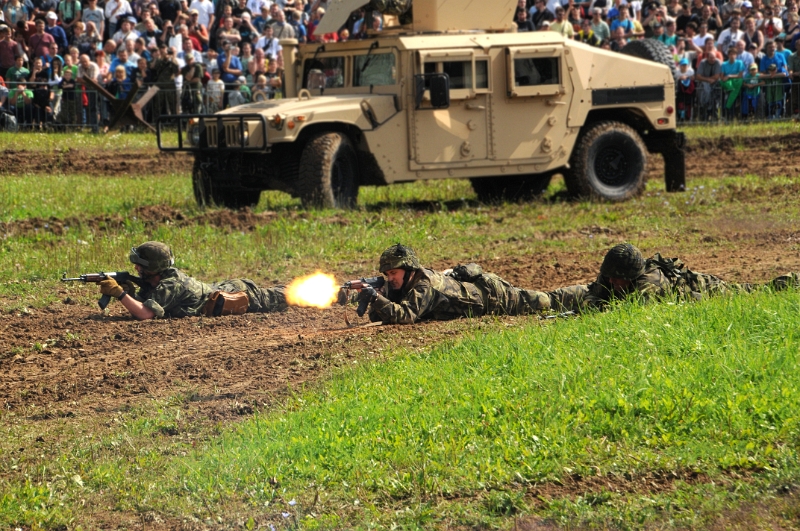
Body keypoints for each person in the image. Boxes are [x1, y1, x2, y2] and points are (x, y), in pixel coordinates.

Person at [549, 243, 799, 313]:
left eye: (617, 280)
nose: (612, 283)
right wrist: (592, 303)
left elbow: (629, 314)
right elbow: (595, 293)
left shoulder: (649, 284)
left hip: (707, 287)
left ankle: (792, 281)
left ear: (632, 277)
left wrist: (595, 308)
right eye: (610, 278)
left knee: (756, 291)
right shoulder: (614, 274)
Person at [346, 244, 551, 325]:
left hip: (493, 297)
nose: (391, 278)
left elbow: (406, 316)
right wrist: (379, 297)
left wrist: (375, 297)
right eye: (387, 274)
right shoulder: (400, 284)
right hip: (485, 296)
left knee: (546, 301)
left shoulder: (424, 284)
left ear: (409, 270)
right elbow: (381, 317)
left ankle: (583, 293)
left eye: (394, 273)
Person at [97, 241, 287, 319]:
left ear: (154, 267)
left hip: (235, 294)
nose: (136, 268)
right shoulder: (158, 281)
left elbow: (146, 314)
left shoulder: (171, 284)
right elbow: (144, 305)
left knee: (284, 296)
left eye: (141, 265)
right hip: (221, 289)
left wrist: (120, 294)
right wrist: (130, 294)